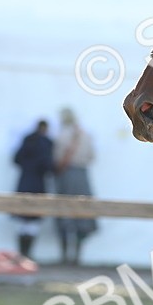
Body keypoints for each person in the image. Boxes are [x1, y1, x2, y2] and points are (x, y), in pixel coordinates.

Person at [53, 107, 98, 265]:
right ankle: (77, 256)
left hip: (67, 176)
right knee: (83, 215)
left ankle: (65, 256)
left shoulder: (62, 135)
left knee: (63, 214)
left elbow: (57, 160)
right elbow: (92, 156)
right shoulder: (86, 135)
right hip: (82, 175)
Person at [12, 119, 54, 259]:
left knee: (23, 220)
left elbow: (16, 159)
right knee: (33, 220)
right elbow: (48, 166)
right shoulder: (47, 142)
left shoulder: (27, 139)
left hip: (24, 181)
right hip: (38, 184)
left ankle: (22, 254)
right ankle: (27, 255)